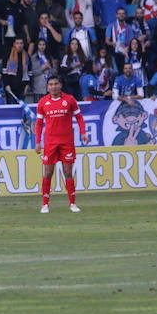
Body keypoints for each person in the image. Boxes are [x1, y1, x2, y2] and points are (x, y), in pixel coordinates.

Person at [35, 76, 89, 214]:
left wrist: (83, 132)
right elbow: (39, 124)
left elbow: (79, 117)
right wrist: (37, 142)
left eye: (56, 84)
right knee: (48, 172)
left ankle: (72, 203)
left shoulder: (69, 99)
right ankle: (45, 204)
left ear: (61, 85)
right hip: (50, 143)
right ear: (47, 87)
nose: (53, 86)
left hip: (66, 142)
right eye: (51, 84)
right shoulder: (42, 102)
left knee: (68, 172)